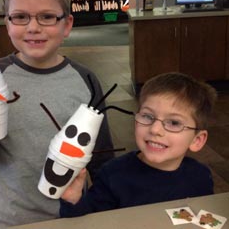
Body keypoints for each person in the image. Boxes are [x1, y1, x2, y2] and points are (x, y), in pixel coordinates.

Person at [0, 0, 114, 229]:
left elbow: (102, 155)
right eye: (20, 17)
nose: (33, 27)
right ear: (8, 24)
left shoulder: (85, 80)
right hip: (8, 218)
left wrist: (106, 207)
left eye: (47, 17)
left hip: (72, 215)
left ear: (67, 25)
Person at [60, 72, 217, 217]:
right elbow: (89, 221)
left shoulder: (201, 177)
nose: (155, 129)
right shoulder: (112, 175)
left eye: (174, 123)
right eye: (148, 116)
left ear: (197, 140)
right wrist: (73, 200)